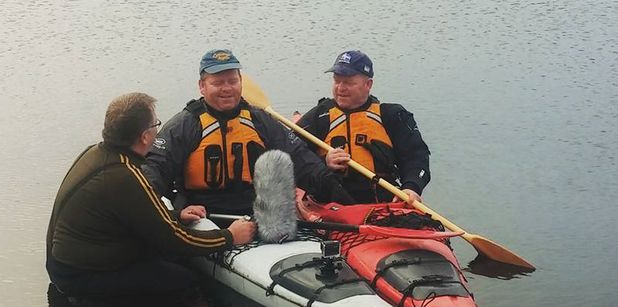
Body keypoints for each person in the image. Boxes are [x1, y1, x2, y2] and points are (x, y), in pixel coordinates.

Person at [46, 92, 256, 298]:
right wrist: (229, 237)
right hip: (81, 277)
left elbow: (138, 216)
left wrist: (178, 216)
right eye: (156, 124)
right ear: (145, 137)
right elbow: (175, 240)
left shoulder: (95, 153)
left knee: (163, 258)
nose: (158, 129)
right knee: (182, 279)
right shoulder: (126, 176)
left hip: (62, 264)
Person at [143, 49, 354, 216]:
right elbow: (155, 168)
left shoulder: (260, 120)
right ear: (202, 86)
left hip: (253, 210)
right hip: (203, 212)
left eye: (233, 81)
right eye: (217, 83)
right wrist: (174, 214)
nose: (227, 88)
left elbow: (301, 160)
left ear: (241, 83)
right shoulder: (185, 124)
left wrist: (342, 199)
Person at [296, 50, 431, 204]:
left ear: (368, 84)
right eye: (336, 81)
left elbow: (416, 157)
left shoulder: (391, 116)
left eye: (348, 82)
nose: (340, 88)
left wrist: (412, 187)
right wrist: (322, 163)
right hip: (329, 201)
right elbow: (291, 158)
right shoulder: (319, 116)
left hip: (380, 201)